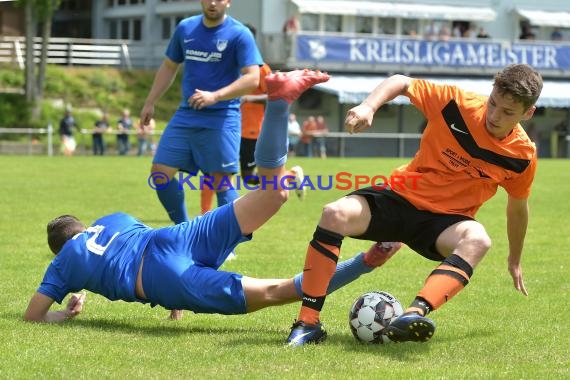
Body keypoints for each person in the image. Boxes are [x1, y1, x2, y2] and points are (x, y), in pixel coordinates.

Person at [21, 70, 397, 325]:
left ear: (60, 248)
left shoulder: (64, 263)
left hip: (162, 277)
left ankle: (369, 259)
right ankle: (279, 102)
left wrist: (64, 313)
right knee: (274, 191)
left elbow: (33, 316)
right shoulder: (111, 221)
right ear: (83, 227)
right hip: (173, 238)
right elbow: (126, 251)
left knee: (276, 290)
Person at [286, 64, 542, 346]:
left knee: (478, 240)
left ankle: (413, 315)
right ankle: (307, 323)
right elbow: (400, 82)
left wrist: (515, 259)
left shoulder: (522, 156)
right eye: (493, 103)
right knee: (334, 213)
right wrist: (368, 107)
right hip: (401, 198)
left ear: (528, 114)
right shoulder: (456, 104)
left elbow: (518, 208)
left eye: (508, 113)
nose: (494, 115)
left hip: (445, 222)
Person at [140, 0, 263, 226]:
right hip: (187, 114)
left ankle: (225, 243)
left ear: (228, 2)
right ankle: (184, 230)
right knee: (160, 172)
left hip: (222, 115)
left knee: (221, 182)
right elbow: (169, 65)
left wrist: (215, 96)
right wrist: (150, 102)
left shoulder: (239, 34)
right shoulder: (185, 28)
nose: (212, 3)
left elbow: (252, 78)